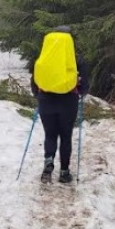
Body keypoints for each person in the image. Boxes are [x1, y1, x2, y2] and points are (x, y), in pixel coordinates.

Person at [30, 26, 89, 184]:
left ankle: (48, 162)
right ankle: (64, 172)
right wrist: (80, 92)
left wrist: (40, 96)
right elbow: (84, 88)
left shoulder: (43, 60)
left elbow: (35, 84)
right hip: (68, 103)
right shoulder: (77, 60)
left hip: (46, 102)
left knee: (50, 134)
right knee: (65, 136)